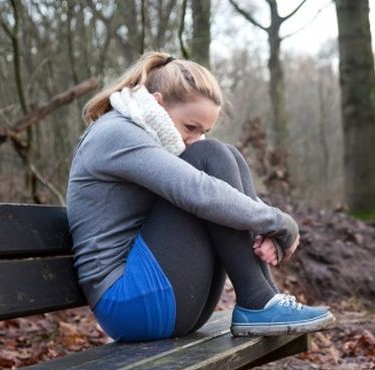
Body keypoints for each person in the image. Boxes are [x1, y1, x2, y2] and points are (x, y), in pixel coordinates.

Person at [66, 51, 335, 342]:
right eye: (190, 127)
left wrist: (268, 230)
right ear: (157, 103)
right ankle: (258, 301)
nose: (194, 138)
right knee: (209, 156)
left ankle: (262, 298)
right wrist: (280, 222)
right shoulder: (116, 133)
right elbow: (199, 192)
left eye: (203, 130)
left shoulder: (146, 133)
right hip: (129, 304)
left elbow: (218, 192)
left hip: (169, 300)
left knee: (224, 155)